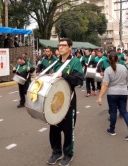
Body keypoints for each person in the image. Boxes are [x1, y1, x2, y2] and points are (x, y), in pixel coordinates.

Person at [47, 38, 83, 166]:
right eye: (59, 45)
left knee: (68, 129)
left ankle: (68, 154)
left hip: (69, 100)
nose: (60, 47)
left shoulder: (75, 62)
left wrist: (64, 75)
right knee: (54, 127)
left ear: (70, 48)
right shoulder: (55, 63)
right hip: (56, 100)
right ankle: (56, 152)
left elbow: (79, 80)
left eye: (63, 45)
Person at [97, 51, 128, 141]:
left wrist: (100, 97)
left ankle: (112, 130)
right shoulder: (124, 67)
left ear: (108, 59)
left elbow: (105, 85)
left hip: (112, 93)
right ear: (118, 58)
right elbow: (127, 79)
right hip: (123, 92)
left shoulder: (108, 69)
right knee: (124, 111)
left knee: (113, 112)